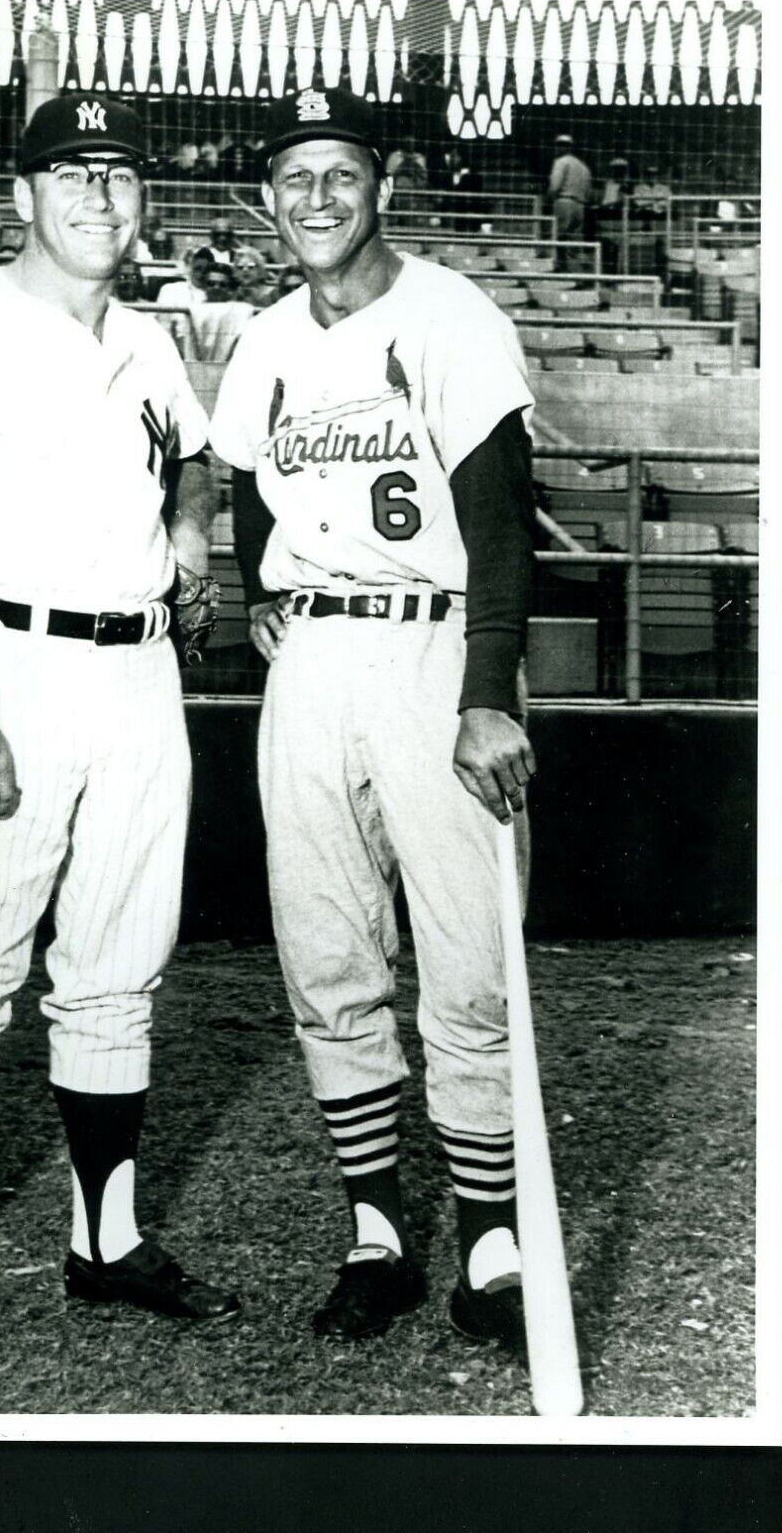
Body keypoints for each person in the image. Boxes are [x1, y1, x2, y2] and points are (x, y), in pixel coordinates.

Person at [0, 93, 238, 1375]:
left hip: (137, 678)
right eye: (71, 173)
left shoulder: (151, 339)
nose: (99, 197)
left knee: (118, 970)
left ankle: (106, 1238)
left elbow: (192, 456)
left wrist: (188, 526)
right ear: (21, 196)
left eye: (120, 176)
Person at [209, 86, 537, 1348]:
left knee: (465, 954)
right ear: (268, 197)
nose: (315, 201)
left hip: (432, 646)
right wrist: (255, 597)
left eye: (339, 175)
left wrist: (486, 691)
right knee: (327, 951)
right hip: (313, 665)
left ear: (381, 185)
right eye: (293, 180)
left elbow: (502, 516)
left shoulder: (449, 316)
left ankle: (491, 1241)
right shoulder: (268, 337)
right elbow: (245, 474)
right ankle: (376, 1231)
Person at [190, 260, 255, 360]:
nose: (216, 288)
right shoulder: (193, 309)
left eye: (222, 284)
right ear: (203, 286)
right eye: (211, 283)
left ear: (229, 288)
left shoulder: (241, 310)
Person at [546, 134, 591, 272]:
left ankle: (560, 266)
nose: (559, 148)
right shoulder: (583, 167)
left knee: (559, 235)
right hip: (580, 205)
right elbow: (588, 192)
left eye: (561, 145)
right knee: (575, 241)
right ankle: (576, 271)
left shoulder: (561, 162)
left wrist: (549, 198)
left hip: (565, 201)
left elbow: (555, 186)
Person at [232, 245, 278, 309]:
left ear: (259, 269)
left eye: (250, 267)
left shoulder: (272, 293)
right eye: (240, 267)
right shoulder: (234, 294)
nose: (245, 270)